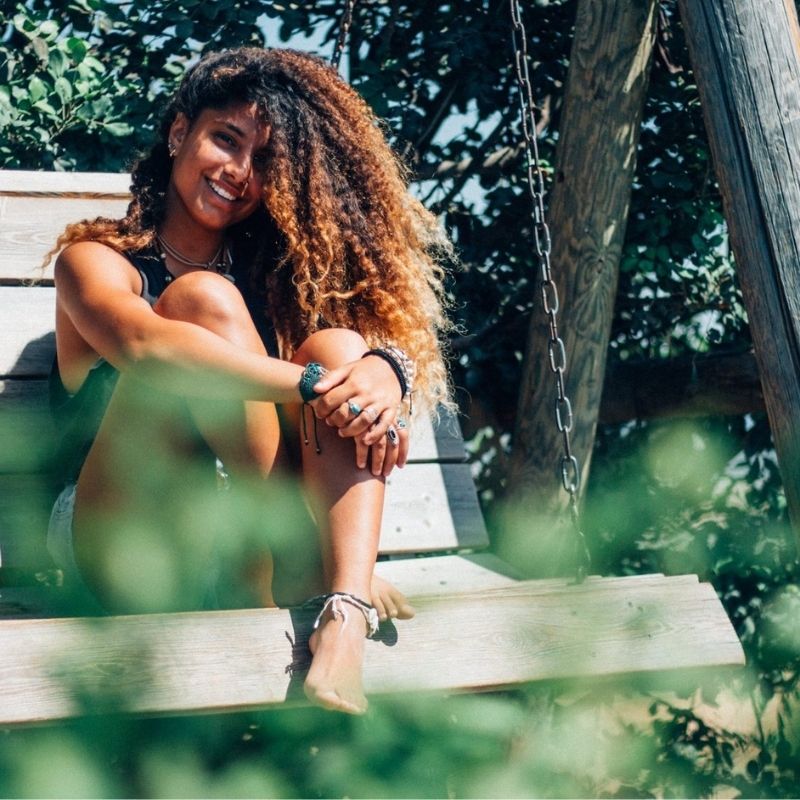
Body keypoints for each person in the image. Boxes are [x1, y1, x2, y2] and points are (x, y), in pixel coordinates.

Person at [45, 46, 454, 715]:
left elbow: (338, 366)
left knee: (343, 344)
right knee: (204, 304)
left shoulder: (277, 287)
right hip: (120, 541)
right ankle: (310, 563)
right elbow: (146, 344)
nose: (238, 172)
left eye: (263, 161)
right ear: (181, 132)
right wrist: (318, 386)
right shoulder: (95, 264)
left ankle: (342, 609)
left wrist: (384, 371)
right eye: (225, 140)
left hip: (240, 546)